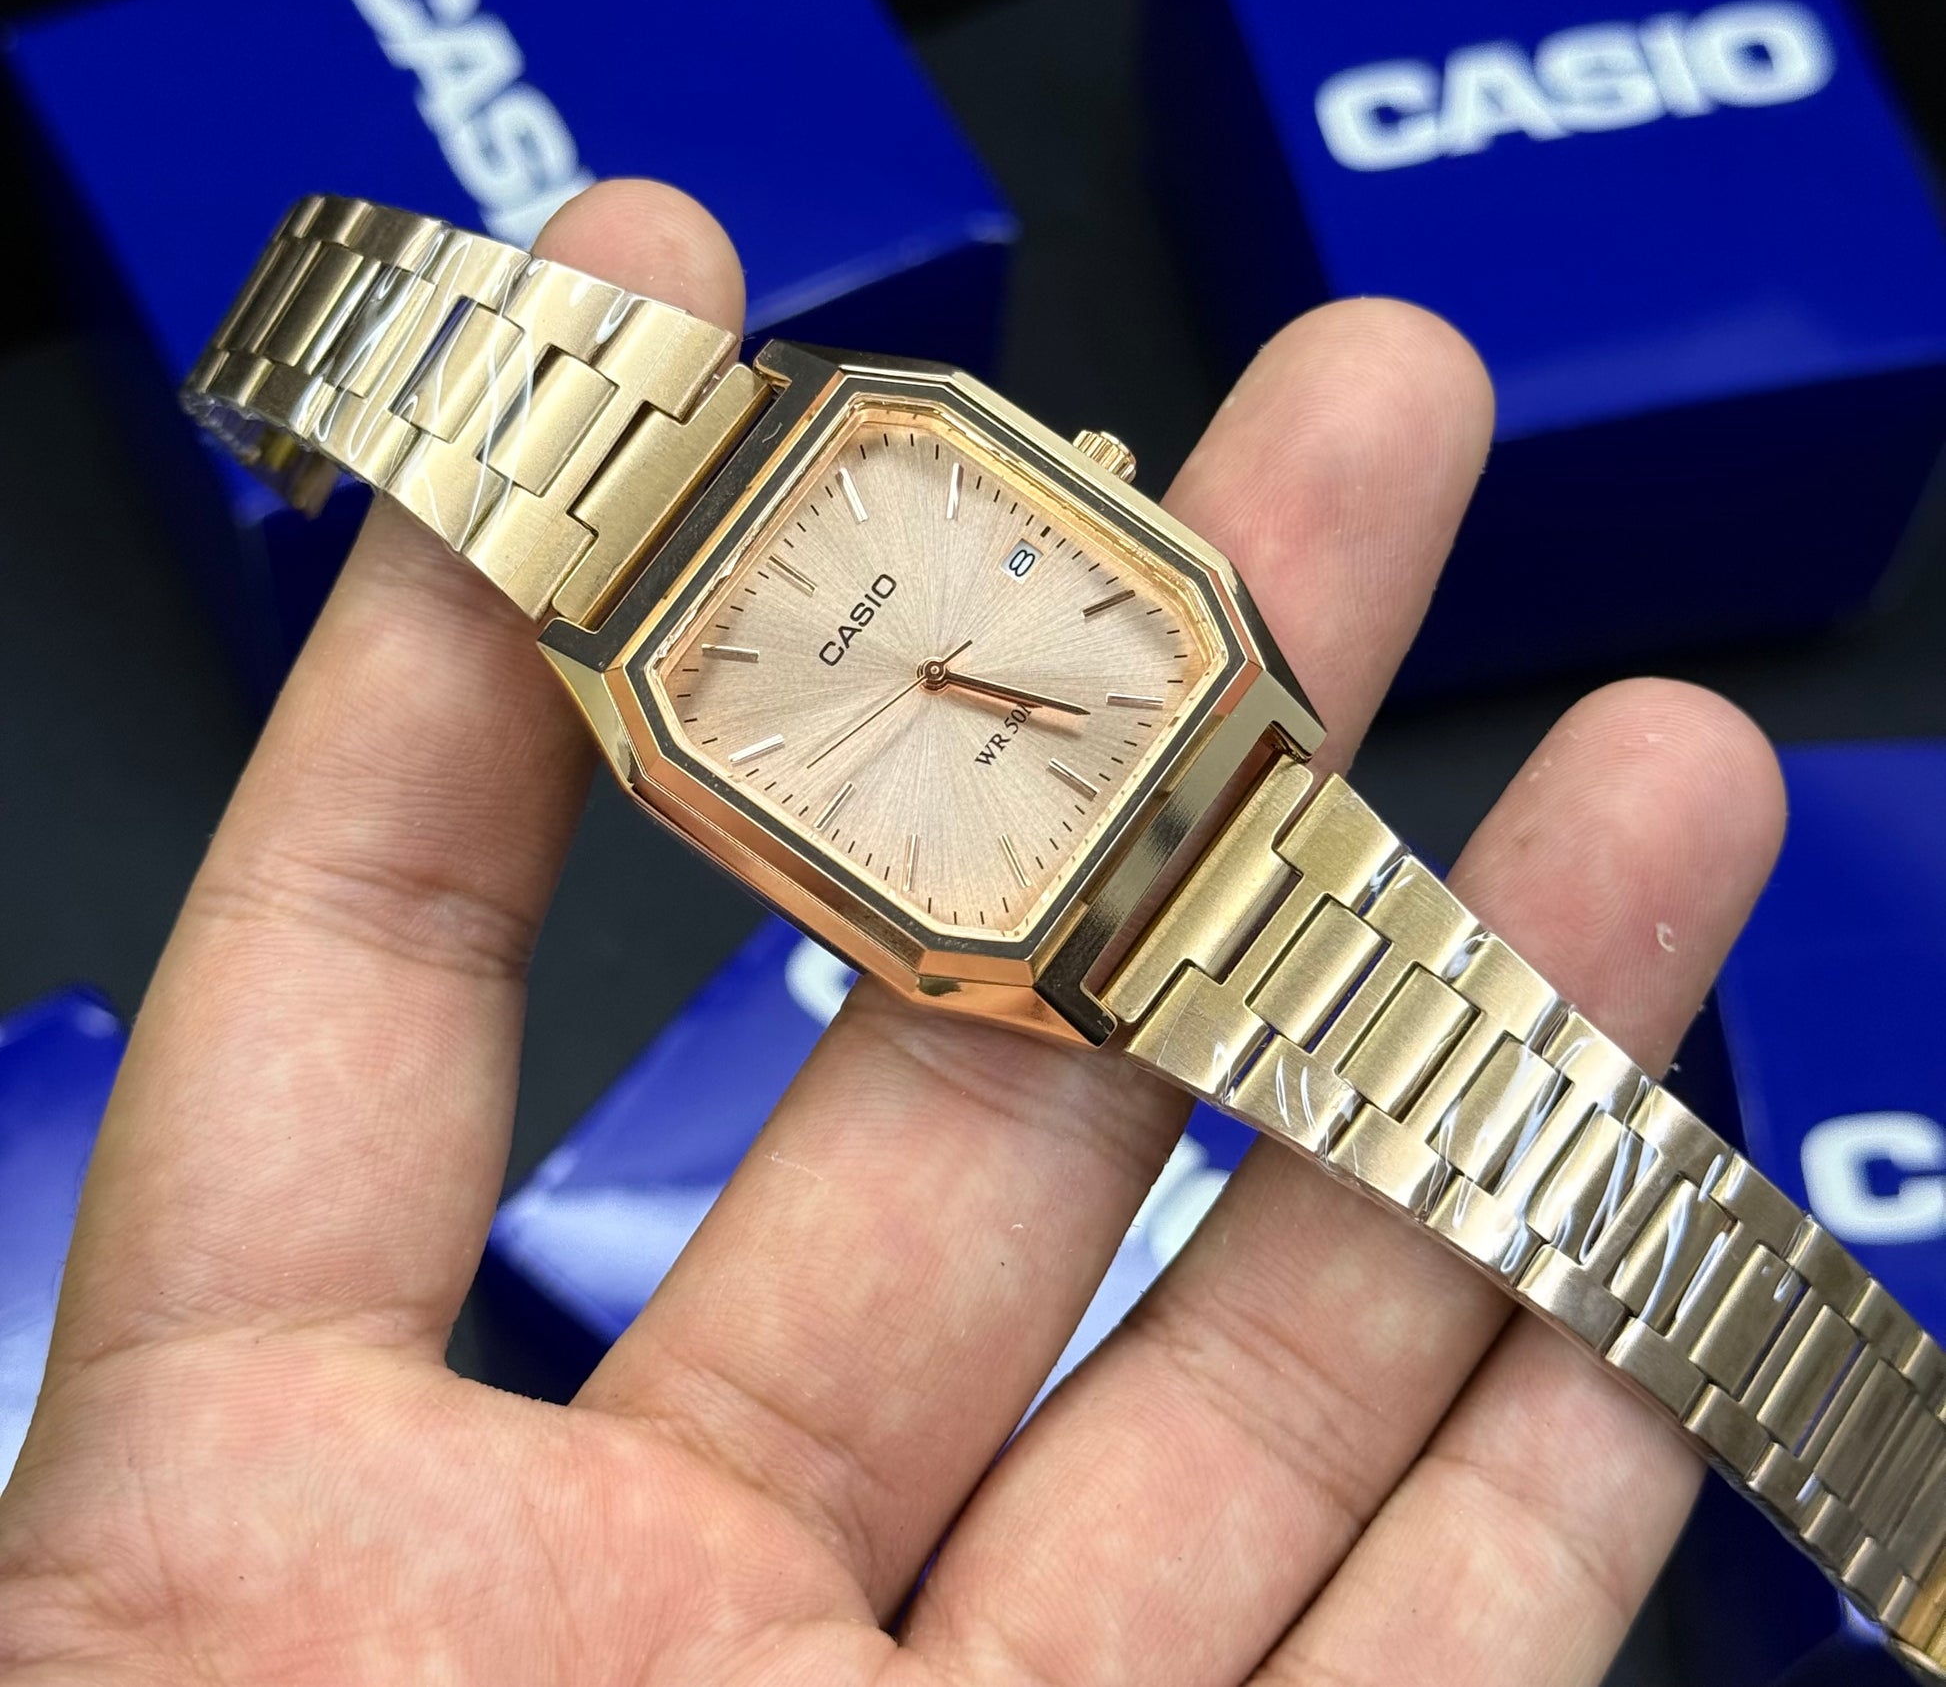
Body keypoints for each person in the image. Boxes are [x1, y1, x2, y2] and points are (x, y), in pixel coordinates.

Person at [0, 180, 1786, 1686]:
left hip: (1198, 744)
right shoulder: (679, 723)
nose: (931, 678)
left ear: (1069, 481)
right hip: (1049, 913)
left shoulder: (891, 443)